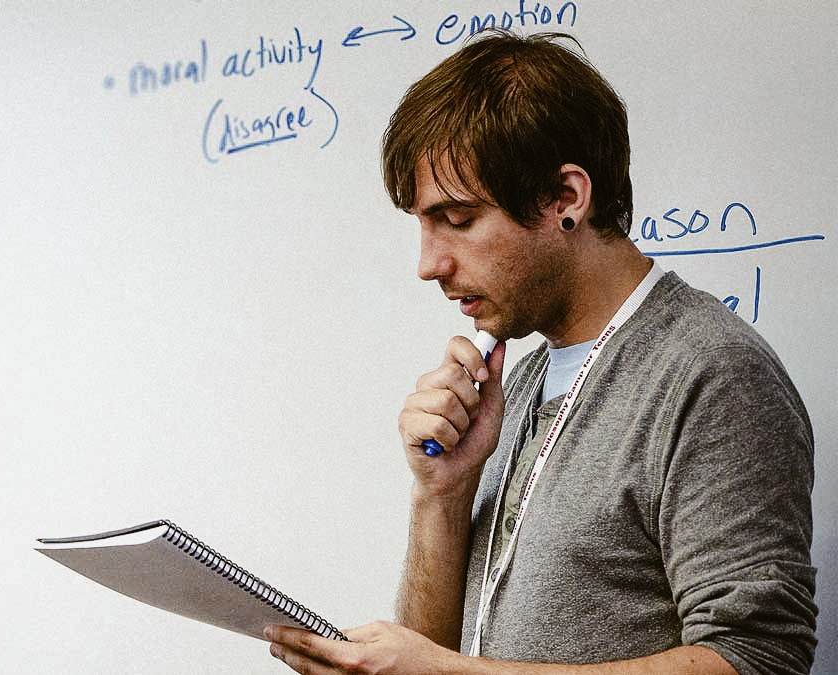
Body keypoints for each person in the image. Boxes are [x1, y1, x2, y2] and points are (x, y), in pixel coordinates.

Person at [265, 30, 816, 674]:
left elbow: (759, 658)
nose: (428, 264)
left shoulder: (712, 374)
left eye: (459, 220)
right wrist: (441, 493)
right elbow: (429, 659)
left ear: (567, 199)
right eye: (423, 224)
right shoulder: (518, 383)